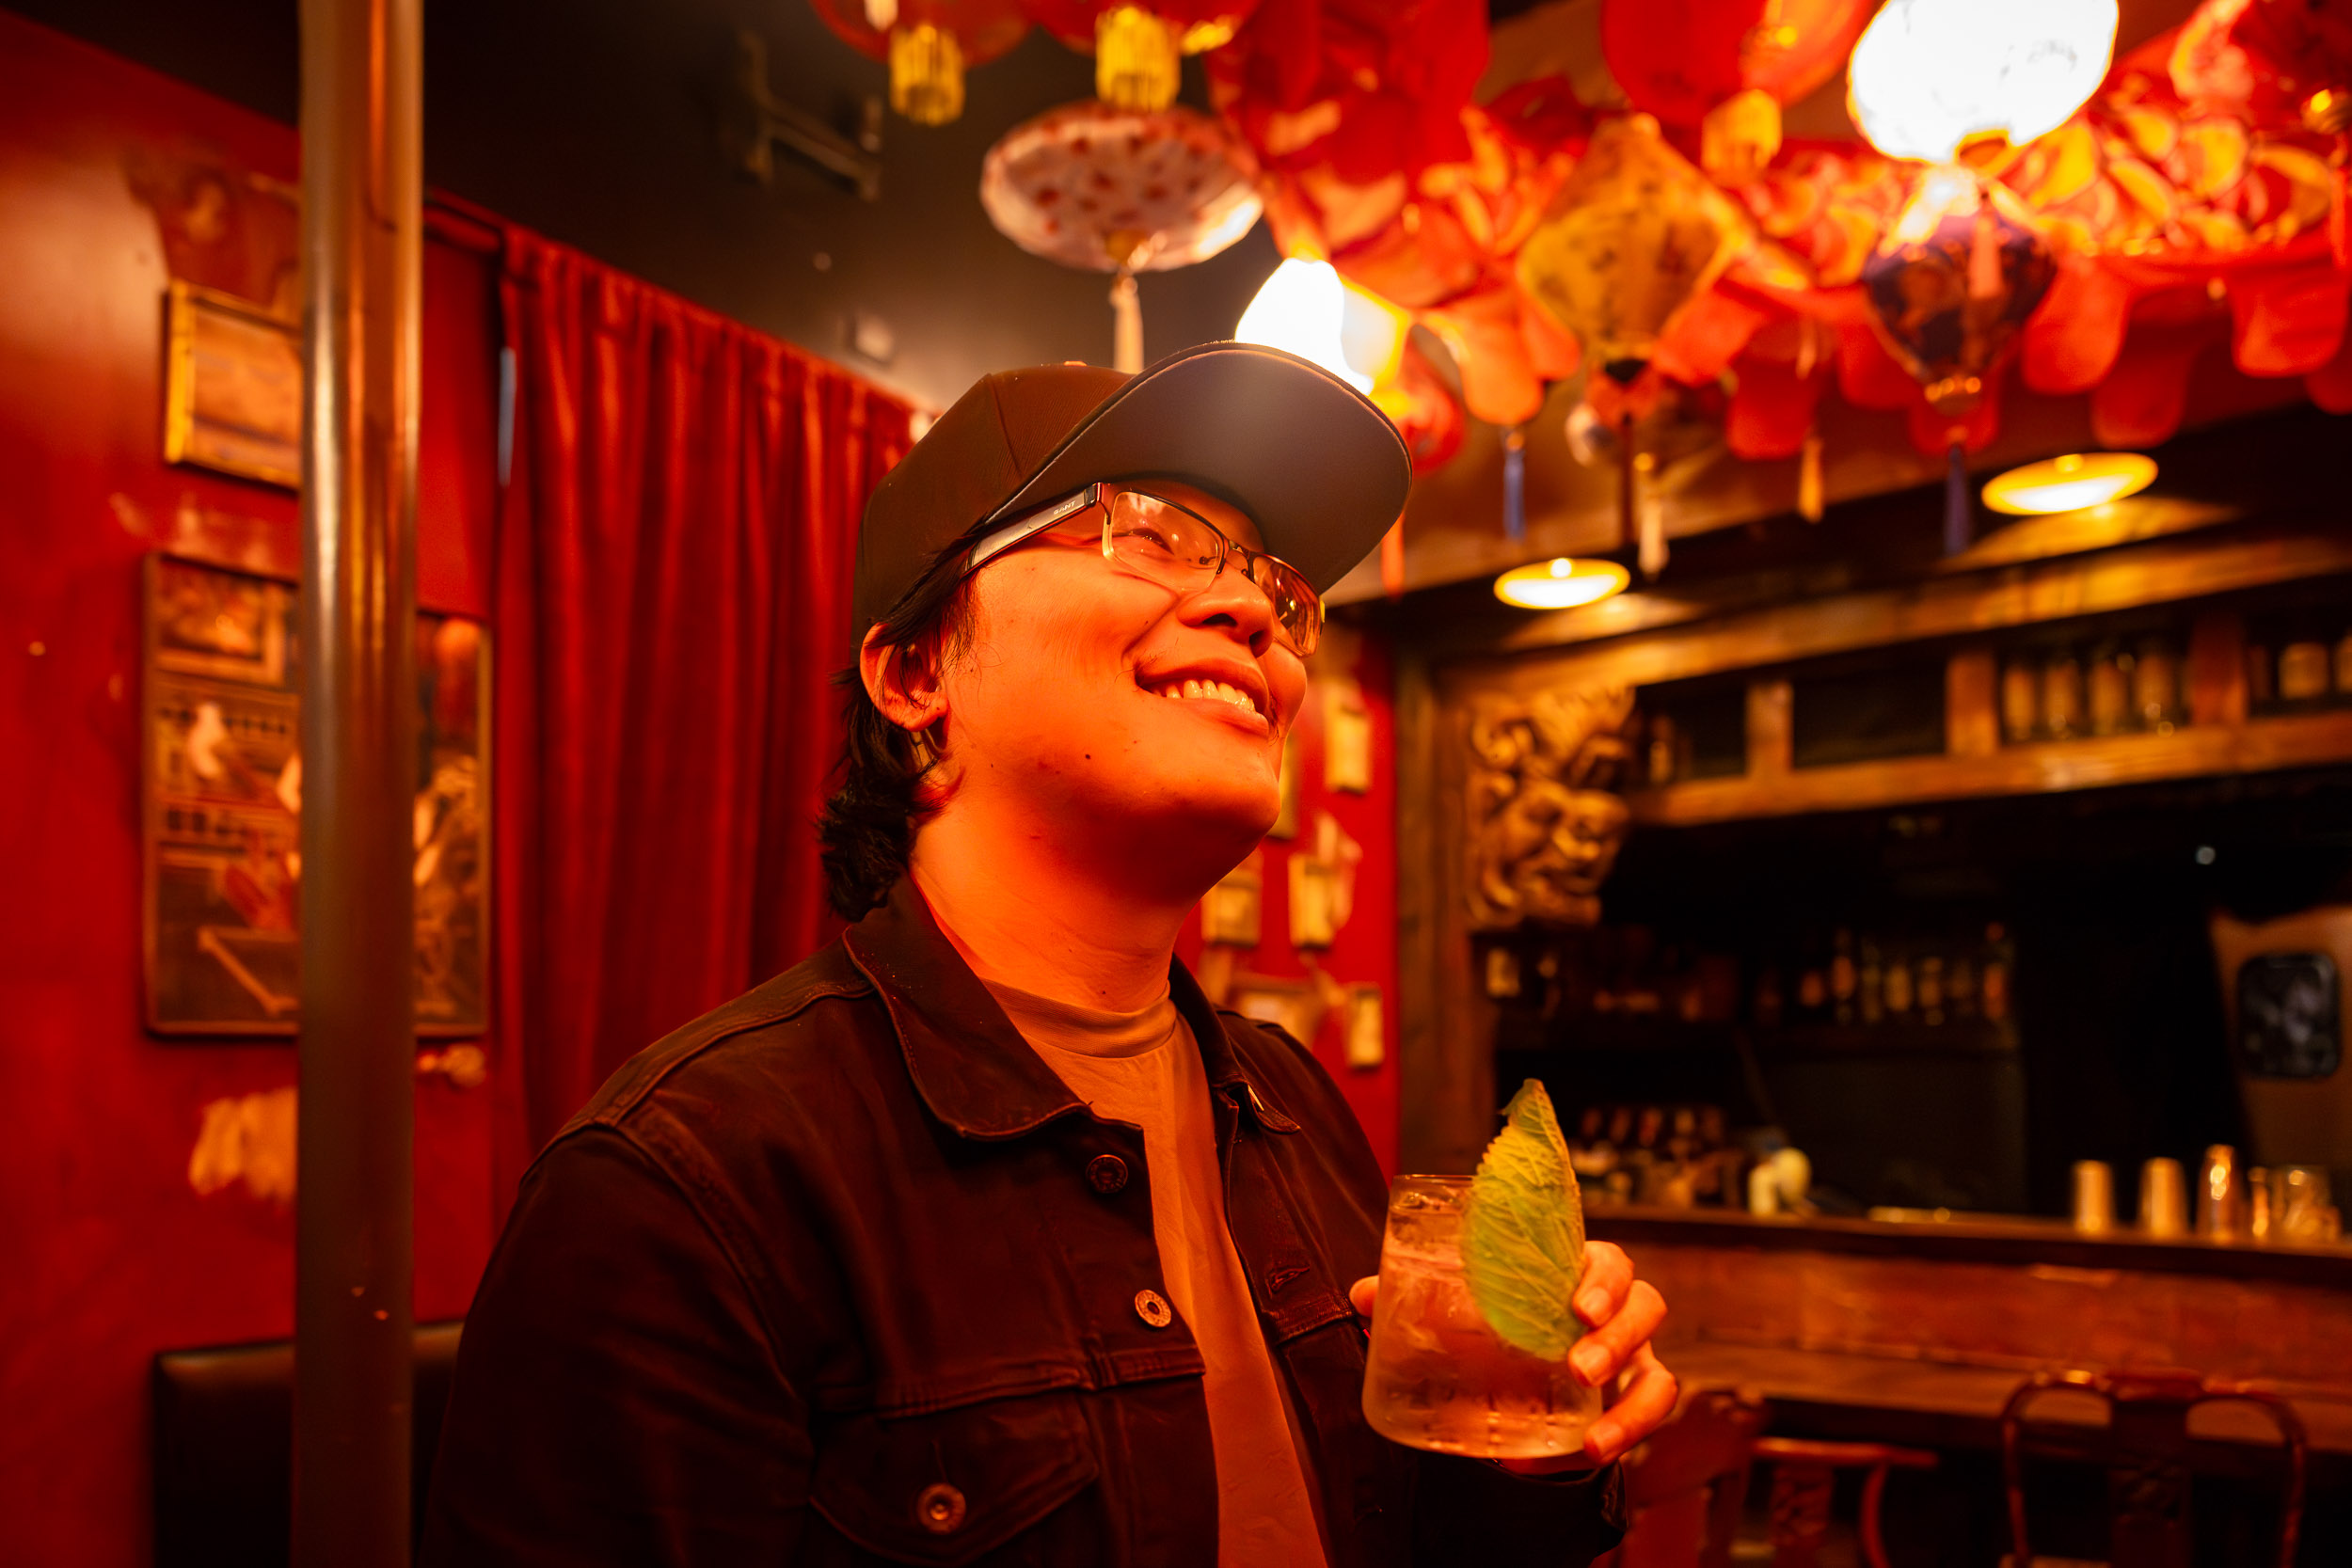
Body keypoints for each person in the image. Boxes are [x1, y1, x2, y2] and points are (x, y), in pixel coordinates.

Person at [423, 342, 1676, 1567]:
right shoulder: (687, 1183)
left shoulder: (1288, 1100)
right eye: (1152, 534)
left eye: (1277, 588)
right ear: (916, 672)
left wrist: (1539, 1453)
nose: (1255, 614)